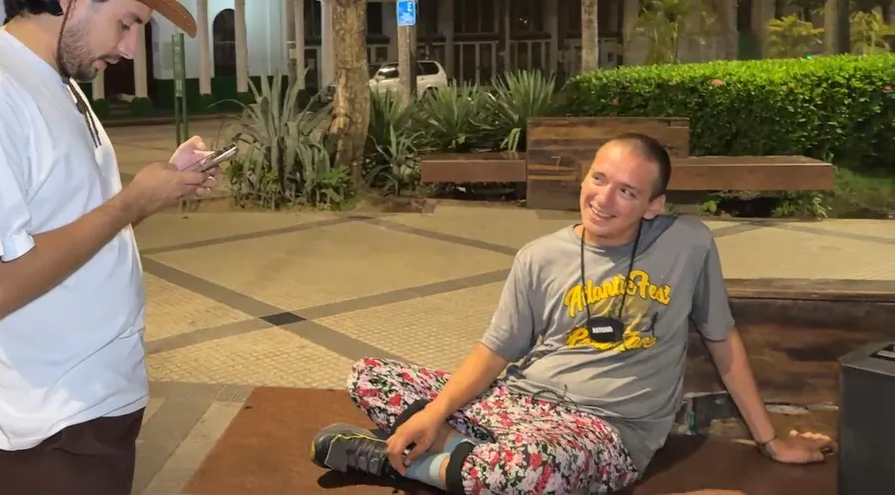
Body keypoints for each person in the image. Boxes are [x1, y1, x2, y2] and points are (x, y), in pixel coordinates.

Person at [311, 133, 836, 494]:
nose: (604, 198)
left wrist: (770, 442)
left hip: (605, 431)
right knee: (369, 376)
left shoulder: (688, 244)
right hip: (520, 403)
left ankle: (400, 461)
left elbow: (722, 340)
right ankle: (460, 456)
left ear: (653, 204)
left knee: (530, 468)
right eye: (598, 178)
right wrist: (434, 412)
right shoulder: (539, 256)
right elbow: (495, 352)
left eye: (627, 191)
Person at [0, 0, 217, 495]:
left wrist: (156, 189)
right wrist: (131, 203)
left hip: (90, 409)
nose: (130, 50)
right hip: (41, 430)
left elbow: (71, 223)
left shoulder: (56, 81)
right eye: (127, 23)